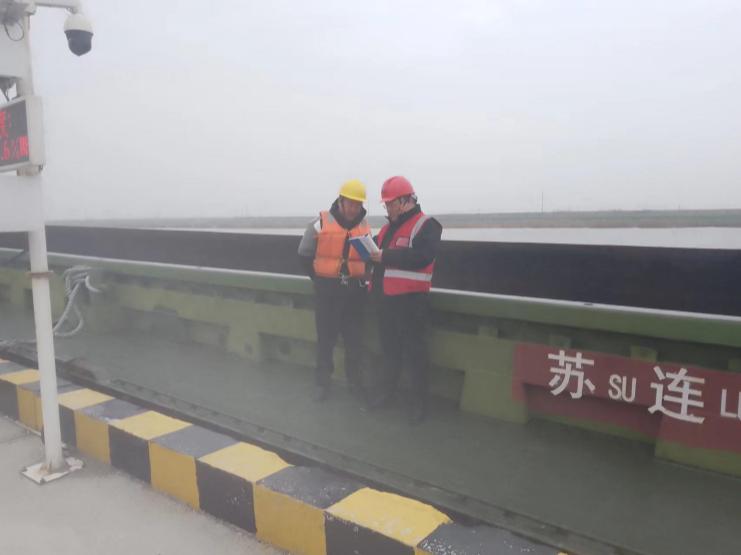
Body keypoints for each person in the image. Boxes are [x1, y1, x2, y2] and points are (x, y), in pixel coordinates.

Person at [368, 176, 443, 424]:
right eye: (386, 204)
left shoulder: (427, 225)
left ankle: (419, 404)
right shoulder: (386, 230)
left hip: (411, 303)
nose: (388, 208)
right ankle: (387, 394)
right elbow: (377, 255)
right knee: (390, 351)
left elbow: (422, 257)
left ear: (405, 201)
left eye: (390, 204)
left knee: (415, 354)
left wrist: (385, 256)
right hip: (385, 302)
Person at [297, 179, 371, 403]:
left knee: (354, 342)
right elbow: (304, 254)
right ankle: (322, 383)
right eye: (350, 203)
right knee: (325, 341)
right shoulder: (319, 224)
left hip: (355, 295)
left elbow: (369, 259)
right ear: (340, 201)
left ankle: (355, 383)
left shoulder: (365, 227)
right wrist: (319, 279)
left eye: (358, 205)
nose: (353, 209)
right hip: (327, 294)